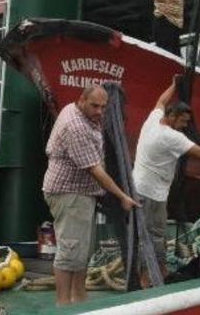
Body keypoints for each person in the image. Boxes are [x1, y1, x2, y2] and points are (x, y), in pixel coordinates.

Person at [43, 85, 139, 306]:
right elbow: (94, 169)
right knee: (70, 249)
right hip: (69, 193)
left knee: (82, 248)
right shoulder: (75, 126)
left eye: (103, 107)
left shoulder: (76, 110)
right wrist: (122, 196)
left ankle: (80, 296)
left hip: (82, 193)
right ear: (82, 100)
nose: (99, 112)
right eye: (94, 106)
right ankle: (63, 304)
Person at [132, 75, 200, 275]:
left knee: (151, 235)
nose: (185, 126)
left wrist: (173, 84)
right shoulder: (170, 136)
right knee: (152, 236)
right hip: (151, 193)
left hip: (142, 188)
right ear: (172, 117)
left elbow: (161, 101)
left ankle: (159, 271)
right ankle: (147, 277)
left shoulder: (153, 120)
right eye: (183, 122)